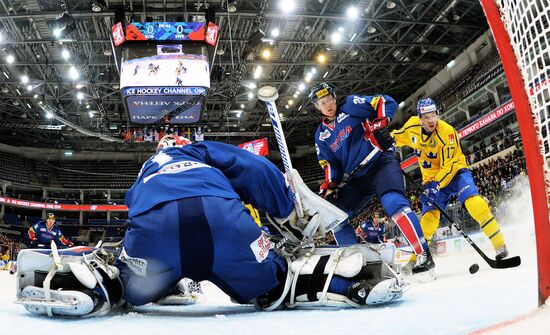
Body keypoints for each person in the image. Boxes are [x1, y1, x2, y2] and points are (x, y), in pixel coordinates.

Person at [15, 135, 405, 318]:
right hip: (226, 224)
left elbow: (137, 217)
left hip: (156, 236)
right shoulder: (199, 152)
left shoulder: (144, 174)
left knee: (128, 285)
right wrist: (286, 208)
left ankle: (92, 284)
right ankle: (343, 279)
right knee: (275, 281)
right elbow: (252, 169)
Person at [309, 82, 431, 271]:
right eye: (322, 103)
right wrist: (330, 185)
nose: (328, 105)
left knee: (393, 202)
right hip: (358, 177)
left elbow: (384, 101)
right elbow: (331, 164)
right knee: (334, 217)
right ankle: (354, 264)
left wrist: (382, 122)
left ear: (334, 97)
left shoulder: (350, 105)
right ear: (318, 107)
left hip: (380, 161)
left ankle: (423, 254)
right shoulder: (321, 136)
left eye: (329, 99)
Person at [391, 98, 508, 273]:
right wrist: (386, 143)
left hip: (455, 173)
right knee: (428, 220)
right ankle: (416, 259)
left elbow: (449, 165)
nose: (431, 120)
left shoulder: (447, 132)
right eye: (427, 116)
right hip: (432, 181)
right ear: (419, 117)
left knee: (476, 205)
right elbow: (396, 137)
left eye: (434, 115)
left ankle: (499, 245)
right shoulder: (412, 127)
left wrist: (435, 185)